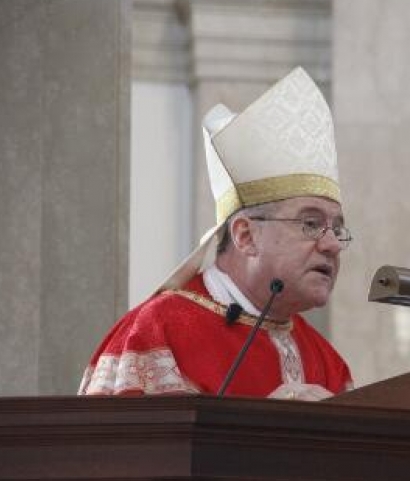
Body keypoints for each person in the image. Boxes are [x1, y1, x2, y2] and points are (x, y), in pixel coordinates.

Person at [79, 67, 352, 400]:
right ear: (245, 236)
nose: (333, 244)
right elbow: (120, 451)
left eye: (337, 228)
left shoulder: (327, 362)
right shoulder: (156, 333)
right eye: (310, 224)